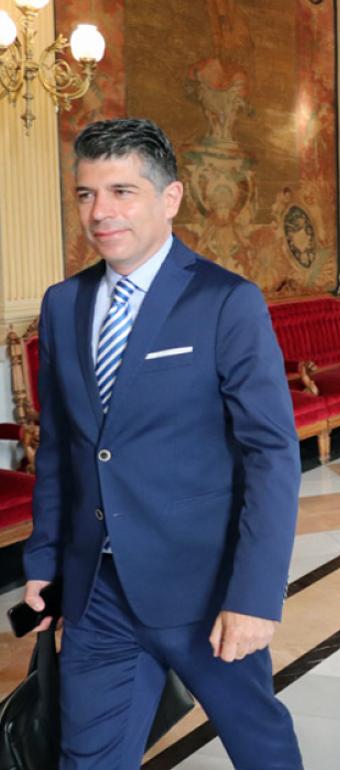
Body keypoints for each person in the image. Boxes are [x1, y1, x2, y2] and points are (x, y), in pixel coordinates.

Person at [22, 118, 303, 768]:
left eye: (122, 191)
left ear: (169, 198)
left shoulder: (226, 301)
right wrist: (44, 564)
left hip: (204, 593)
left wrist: (255, 597)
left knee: (260, 746)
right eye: (87, 194)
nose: (100, 213)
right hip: (97, 594)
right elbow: (62, 447)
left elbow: (270, 455)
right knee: (86, 760)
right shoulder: (63, 304)